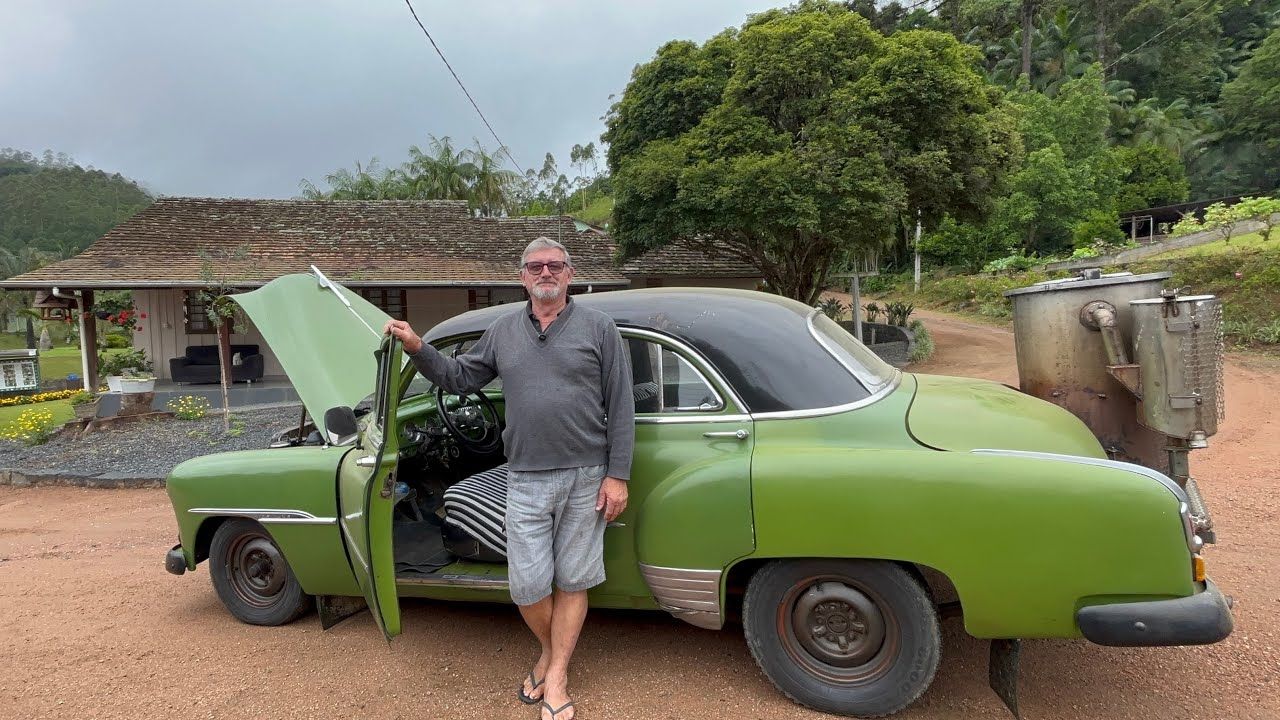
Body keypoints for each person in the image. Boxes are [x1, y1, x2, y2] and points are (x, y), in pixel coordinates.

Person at [383, 236, 633, 720]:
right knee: (528, 586)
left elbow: (622, 405)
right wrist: (417, 347)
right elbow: (459, 378)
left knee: (575, 579)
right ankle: (551, 652)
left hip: (587, 475)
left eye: (554, 265)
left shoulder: (600, 329)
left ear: (569, 272)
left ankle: (555, 672)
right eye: (535, 266)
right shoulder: (502, 331)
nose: (545, 273)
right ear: (522, 277)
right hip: (524, 476)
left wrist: (617, 475)